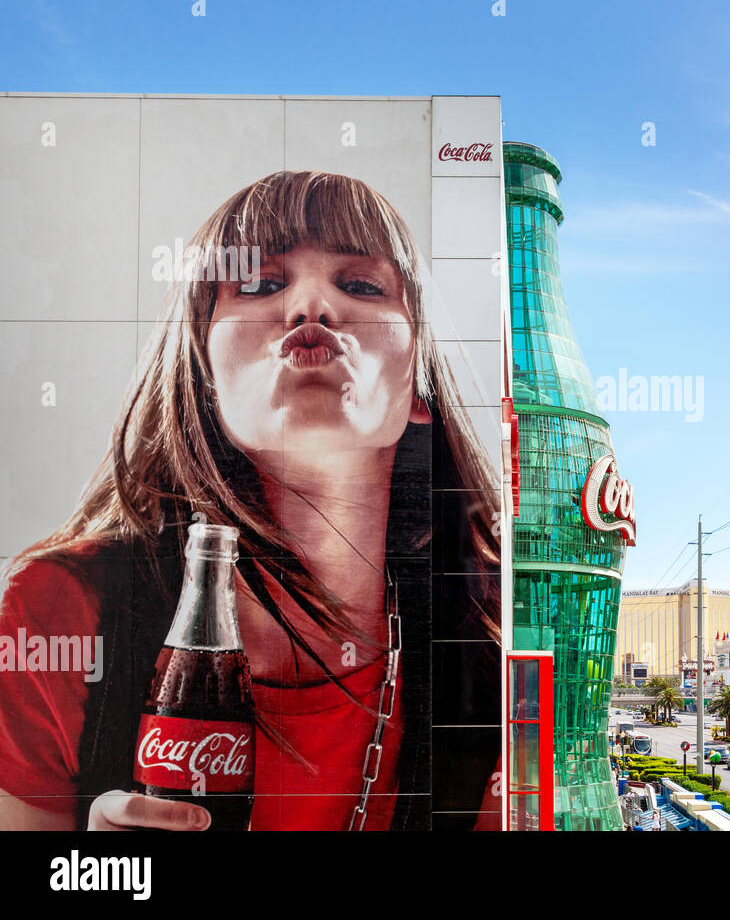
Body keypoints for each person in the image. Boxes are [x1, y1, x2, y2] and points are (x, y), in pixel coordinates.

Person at [0, 171, 500, 831]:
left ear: (417, 391)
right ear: (202, 369)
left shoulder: (493, 621)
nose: (311, 306)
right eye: (261, 283)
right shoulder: (58, 612)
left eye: (360, 284)